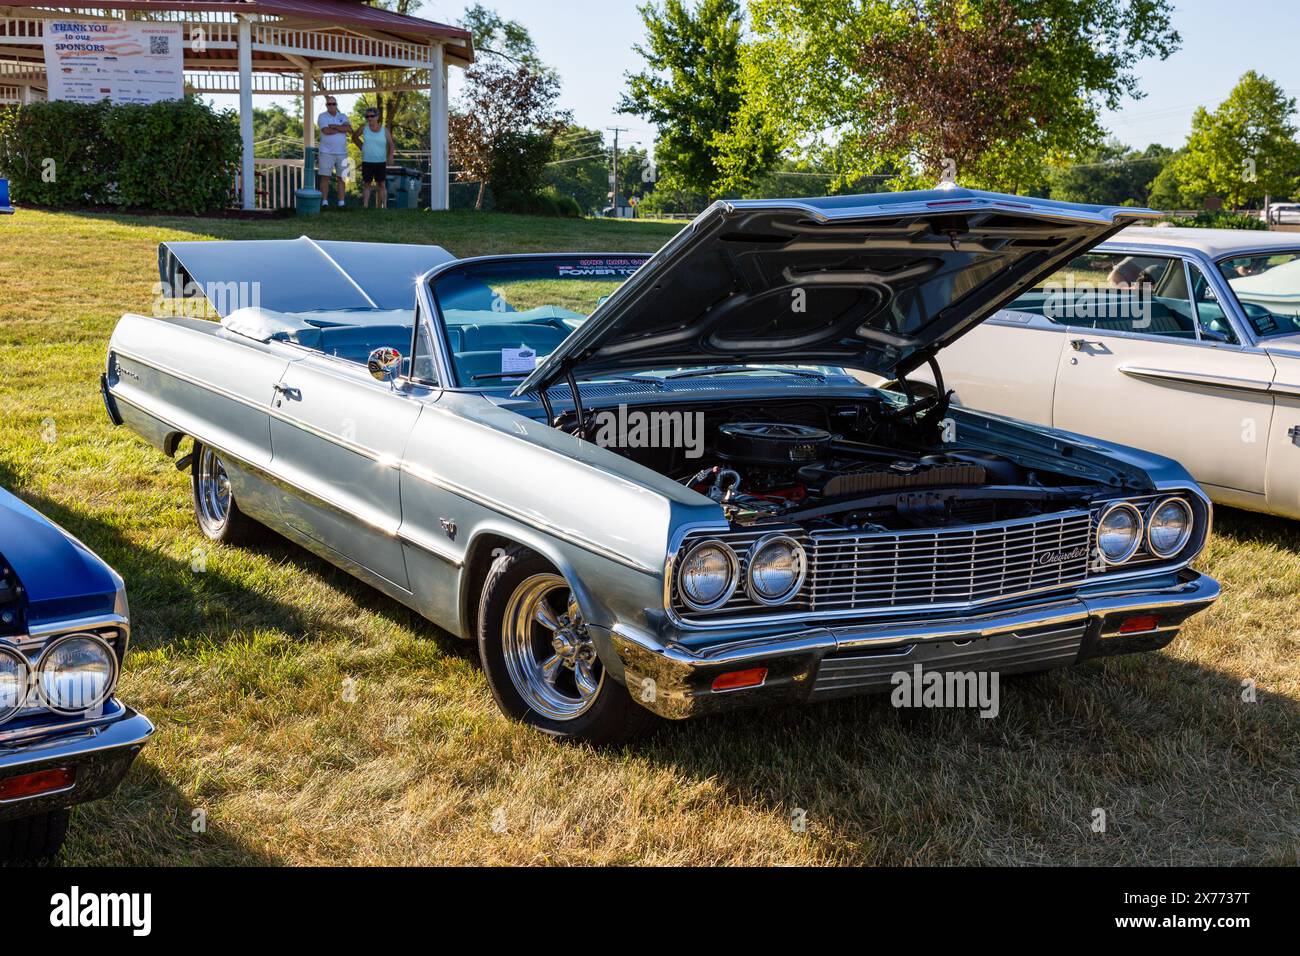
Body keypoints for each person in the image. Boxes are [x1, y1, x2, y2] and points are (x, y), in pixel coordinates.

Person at [351, 107, 395, 209]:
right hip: (367, 161)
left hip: (380, 161)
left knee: (382, 184)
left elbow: (391, 145)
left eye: (372, 116)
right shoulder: (363, 128)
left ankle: (385, 207)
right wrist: (362, 147)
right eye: (367, 116)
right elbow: (354, 137)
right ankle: (365, 206)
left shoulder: (385, 130)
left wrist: (390, 157)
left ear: (377, 116)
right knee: (367, 184)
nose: (369, 118)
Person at [316, 97, 351, 208]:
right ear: (326, 105)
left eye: (333, 103)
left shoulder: (343, 116)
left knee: (342, 178)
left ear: (336, 104)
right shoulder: (322, 116)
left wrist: (334, 126)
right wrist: (341, 128)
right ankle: (324, 202)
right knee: (325, 177)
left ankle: (341, 203)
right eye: (329, 104)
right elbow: (326, 131)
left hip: (342, 153)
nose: (331, 105)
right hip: (326, 152)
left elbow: (349, 128)